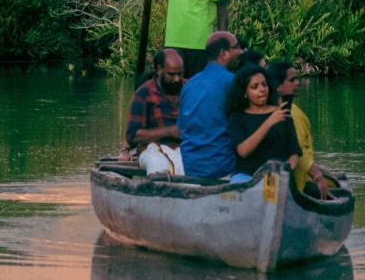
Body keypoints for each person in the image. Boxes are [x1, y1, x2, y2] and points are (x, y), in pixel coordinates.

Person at [177, 31, 244, 179]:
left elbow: (181, 128)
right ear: (224, 53)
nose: (241, 52)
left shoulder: (189, 84)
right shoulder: (233, 82)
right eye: (237, 47)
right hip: (222, 167)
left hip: (190, 166)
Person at [266, 61, 336, 199]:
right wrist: (318, 177)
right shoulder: (289, 113)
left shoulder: (273, 109)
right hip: (292, 187)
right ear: (278, 86)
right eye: (292, 80)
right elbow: (300, 153)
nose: (297, 83)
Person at [225, 65, 301, 177]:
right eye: (255, 87)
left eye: (264, 85)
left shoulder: (282, 112)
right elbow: (243, 151)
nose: (262, 89)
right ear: (245, 93)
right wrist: (269, 122)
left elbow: (294, 152)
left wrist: (285, 172)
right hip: (246, 175)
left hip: (278, 175)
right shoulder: (237, 117)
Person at [128, 48, 185, 175]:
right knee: (156, 163)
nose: (177, 79)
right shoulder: (144, 93)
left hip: (186, 149)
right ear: (159, 70)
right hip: (151, 150)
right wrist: (170, 131)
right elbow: (133, 136)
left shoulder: (190, 89)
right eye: (171, 75)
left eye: (180, 74)